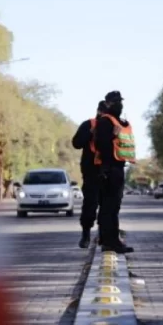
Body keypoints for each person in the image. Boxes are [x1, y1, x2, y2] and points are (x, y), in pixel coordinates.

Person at [95, 91, 136, 254]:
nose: (118, 104)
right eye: (115, 102)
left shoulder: (122, 122)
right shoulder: (106, 121)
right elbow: (101, 144)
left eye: (120, 101)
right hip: (109, 169)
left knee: (114, 207)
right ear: (108, 104)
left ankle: (111, 240)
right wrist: (105, 168)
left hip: (119, 167)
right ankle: (110, 241)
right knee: (109, 207)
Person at [71, 101, 108, 248]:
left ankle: (104, 236)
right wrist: (90, 134)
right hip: (91, 172)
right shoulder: (89, 125)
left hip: (110, 172)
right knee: (90, 205)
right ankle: (85, 235)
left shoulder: (117, 126)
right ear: (99, 111)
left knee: (108, 207)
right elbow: (76, 143)